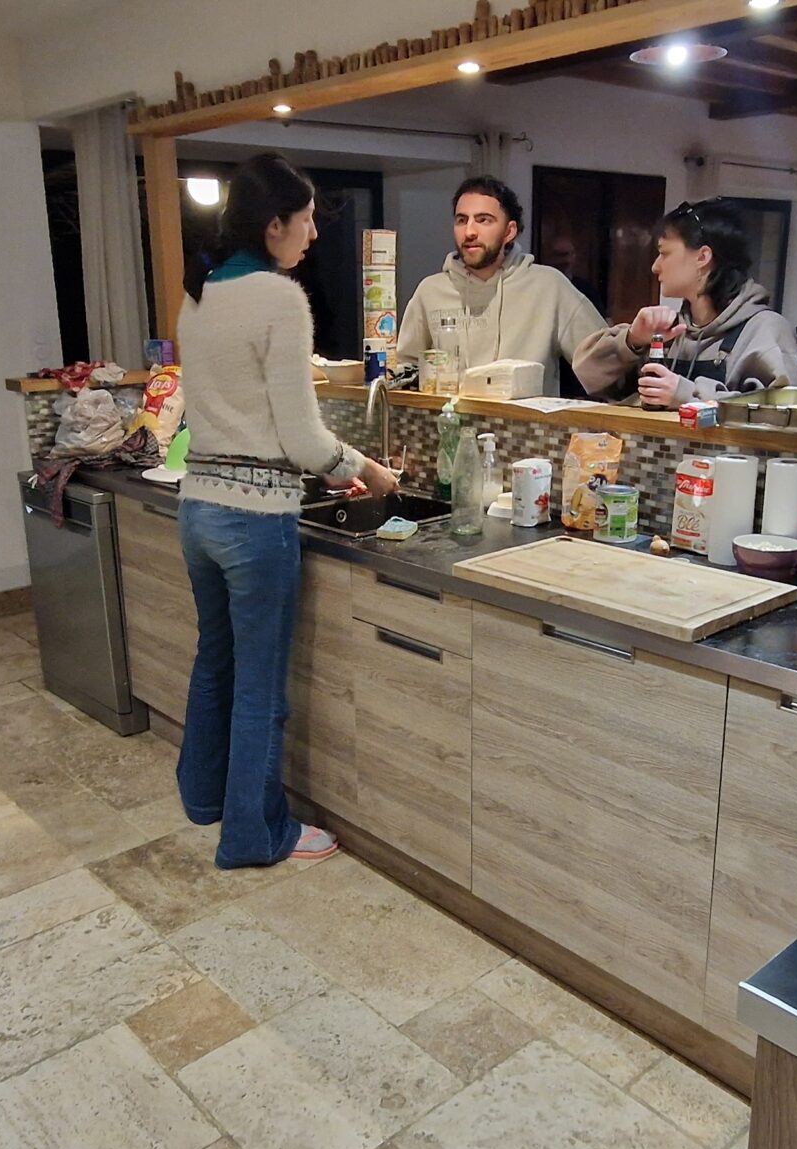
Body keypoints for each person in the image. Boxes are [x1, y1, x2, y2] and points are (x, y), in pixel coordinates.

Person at [175, 154, 401, 869]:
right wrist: (368, 470)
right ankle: (255, 834)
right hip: (252, 520)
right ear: (274, 224)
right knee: (260, 686)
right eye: (306, 219)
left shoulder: (200, 291)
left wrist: (327, 466)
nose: (313, 233)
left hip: (199, 508)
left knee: (215, 660)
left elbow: (250, 420)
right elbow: (303, 439)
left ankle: (204, 797)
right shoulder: (279, 298)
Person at [393, 175, 612, 390]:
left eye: (483, 220)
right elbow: (405, 371)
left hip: (524, 415)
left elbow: (603, 361)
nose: (469, 232)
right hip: (450, 415)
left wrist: (628, 342)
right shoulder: (430, 291)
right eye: (462, 220)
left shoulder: (549, 286)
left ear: (509, 231)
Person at [580, 199, 797, 408]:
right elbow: (587, 375)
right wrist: (632, 341)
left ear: (702, 257)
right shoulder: (671, 332)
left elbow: (780, 414)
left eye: (664, 253)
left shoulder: (765, 331)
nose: (655, 266)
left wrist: (686, 394)